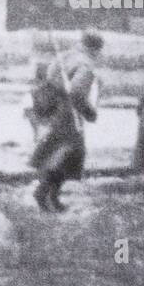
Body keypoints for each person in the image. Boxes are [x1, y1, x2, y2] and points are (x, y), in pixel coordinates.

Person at [28, 31, 102, 212]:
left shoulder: (65, 56)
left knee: (59, 155)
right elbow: (76, 92)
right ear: (96, 49)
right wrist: (89, 112)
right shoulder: (86, 64)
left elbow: (48, 76)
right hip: (69, 116)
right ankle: (44, 192)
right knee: (66, 157)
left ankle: (52, 196)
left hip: (55, 111)